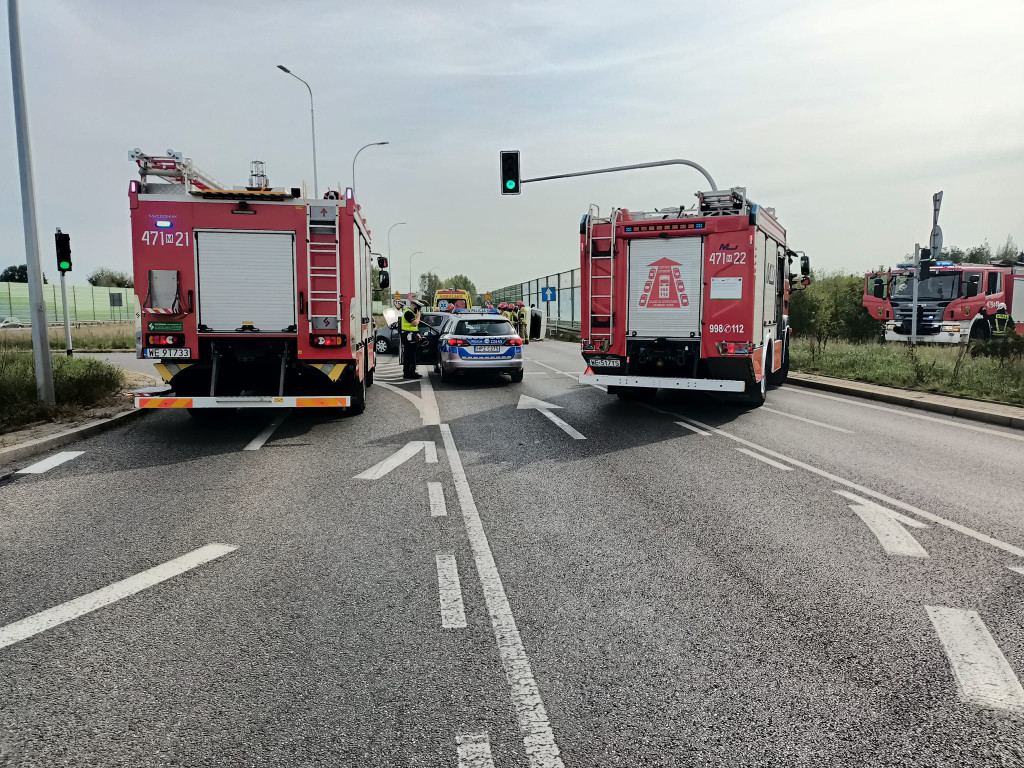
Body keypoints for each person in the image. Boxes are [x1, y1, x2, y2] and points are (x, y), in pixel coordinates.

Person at [401, 299, 423, 379]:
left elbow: (412, 327)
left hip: (411, 335)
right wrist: (418, 317)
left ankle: (411, 372)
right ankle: (408, 373)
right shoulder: (408, 313)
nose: (418, 311)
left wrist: (416, 333)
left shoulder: (411, 313)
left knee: (412, 354)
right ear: (414, 306)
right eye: (418, 309)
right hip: (408, 336)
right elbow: (414, 323)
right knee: (410, 355)